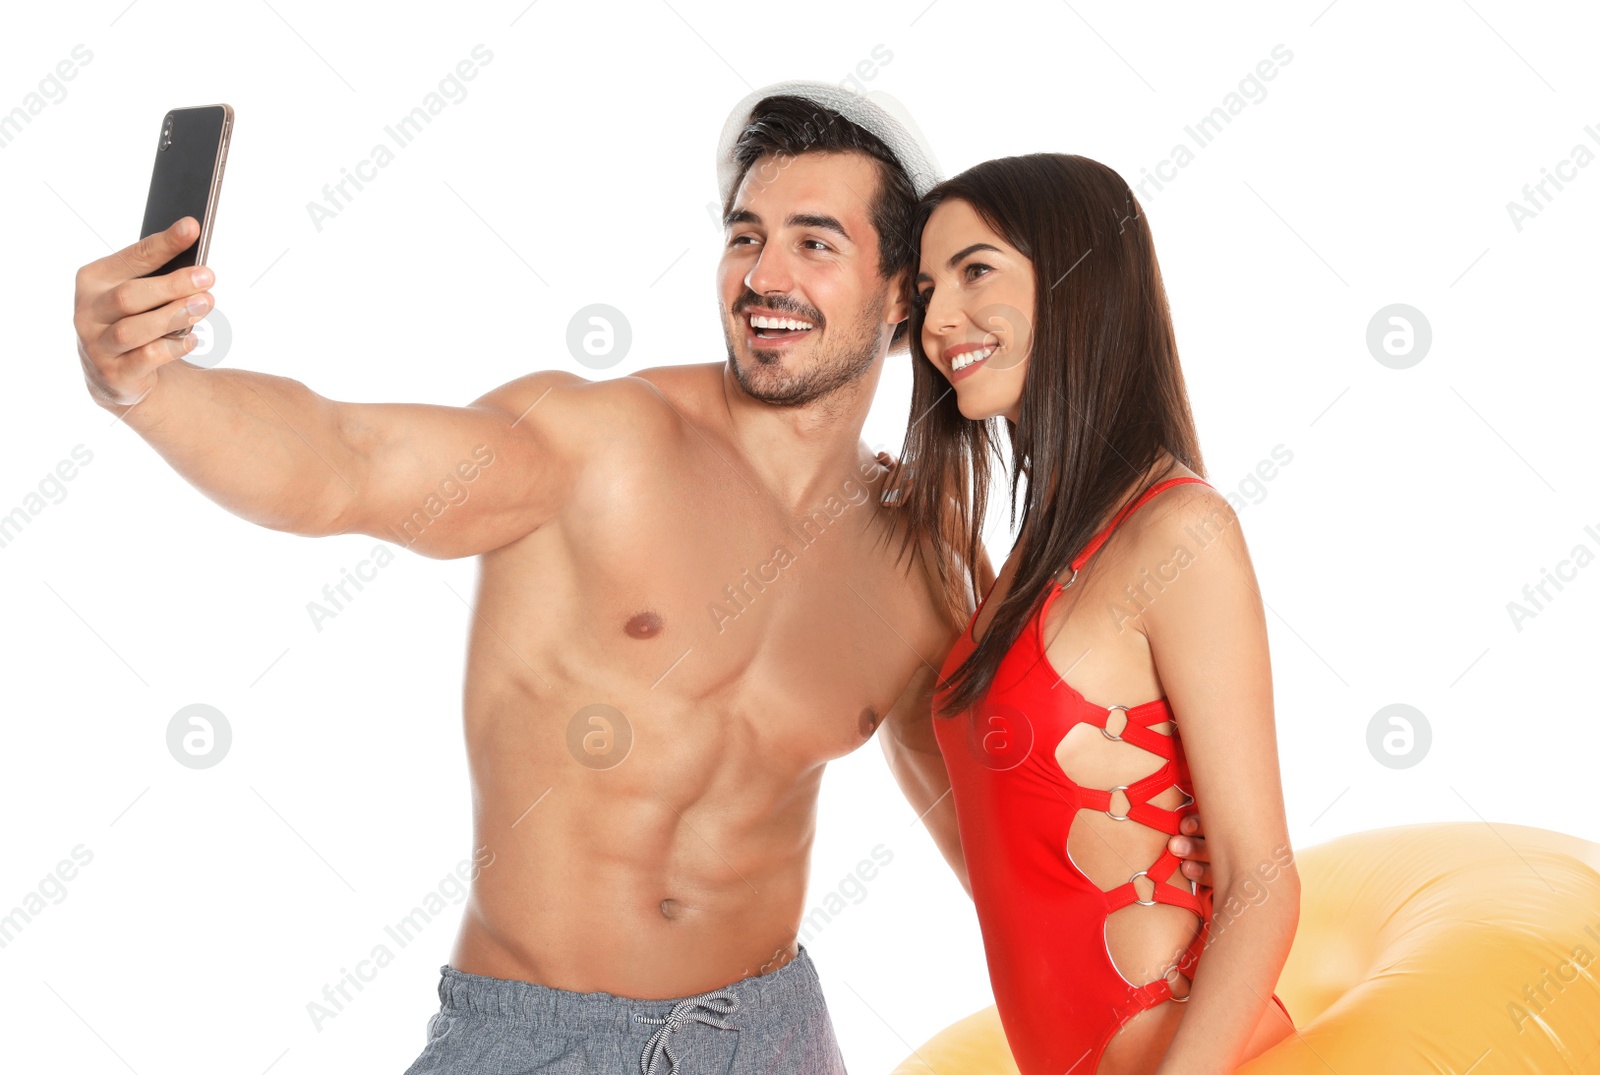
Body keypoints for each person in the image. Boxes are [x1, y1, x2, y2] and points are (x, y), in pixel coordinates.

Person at [70, 84, 1218, 1074]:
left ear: (902, 297)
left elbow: (1005, 845)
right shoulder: (590, 445)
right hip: (541, 1038)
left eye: (815, 241)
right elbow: (344, 462)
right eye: (742, 235)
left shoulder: (920, 557)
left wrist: (1207, 1007)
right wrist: (152, 388)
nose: (763, 274)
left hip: (770, 1032)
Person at [892, 153, 1300, 1075]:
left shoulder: (1179, 531)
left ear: (1079, 281)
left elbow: (1262, 880)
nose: (938, 320)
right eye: (925, 289)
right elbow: (999, 839)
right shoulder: (1027, 565)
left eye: (976, 270)